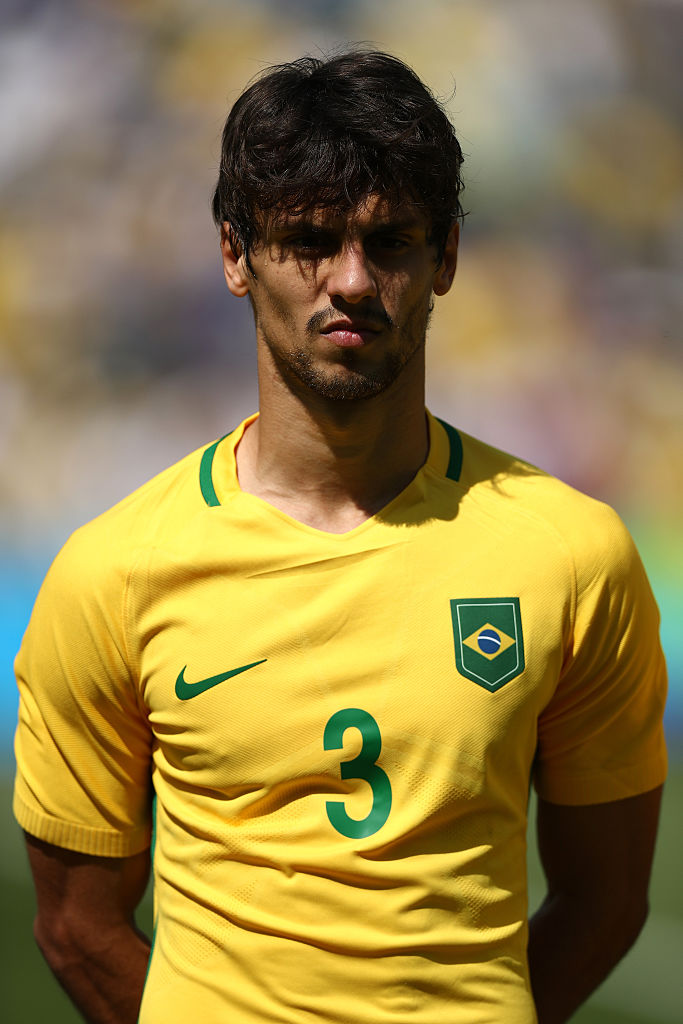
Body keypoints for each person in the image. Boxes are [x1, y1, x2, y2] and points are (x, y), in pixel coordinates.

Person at [14, 50, 667, 1024]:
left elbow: (606, 901)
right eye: (308, 240)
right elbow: (75, 927)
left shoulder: (572, 554)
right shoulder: (114, 572)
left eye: (389, 241)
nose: (352, 280)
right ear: (234, 254)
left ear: (445, 256)